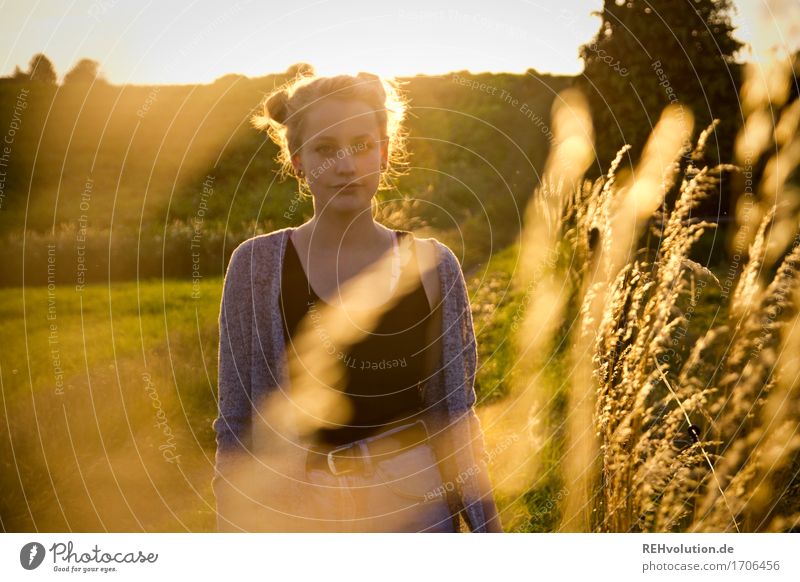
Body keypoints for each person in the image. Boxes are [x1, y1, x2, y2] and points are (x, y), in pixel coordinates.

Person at [212, 66, 502, 533]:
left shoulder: (433, 264)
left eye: (362, 146)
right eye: (325, 149)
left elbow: (456, 415)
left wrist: (488, 533)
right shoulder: (255, 266)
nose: (346, 165)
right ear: (298, 158)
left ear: (384, 153)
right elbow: (236, 422)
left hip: (413, 508)